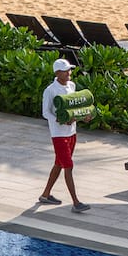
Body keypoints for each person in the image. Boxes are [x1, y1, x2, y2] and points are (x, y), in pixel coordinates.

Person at [39, 58, 90, 213]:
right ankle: (76, 202)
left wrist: (83, 115)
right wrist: (61, 120)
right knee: (68, 165)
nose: (69, 73)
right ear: (57, 73)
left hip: (72, 132)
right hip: (58, 134)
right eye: (66, 70)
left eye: (70, 70)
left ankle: (45, 195)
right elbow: (45, 112)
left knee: (60, 163)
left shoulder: (72, 85)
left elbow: (74, 106)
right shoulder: (50, 90)